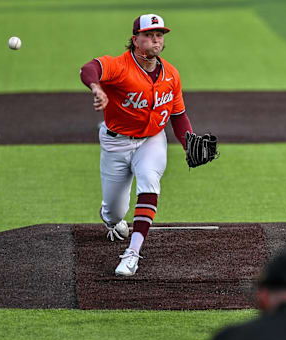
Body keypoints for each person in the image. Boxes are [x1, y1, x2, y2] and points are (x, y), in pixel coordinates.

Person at [79, 13, 198, 276]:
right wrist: (96, 88)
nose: (155, 40)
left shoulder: (171, 75)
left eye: (159, 35)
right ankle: (111, 217)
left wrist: (188, 143)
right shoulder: (119, 66)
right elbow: (89, 69)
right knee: (114, 212)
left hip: (152, 140)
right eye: (148, 35)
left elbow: (178, 116)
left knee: (149, 182)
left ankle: (132, 253)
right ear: (135, 39)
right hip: (116, 143)